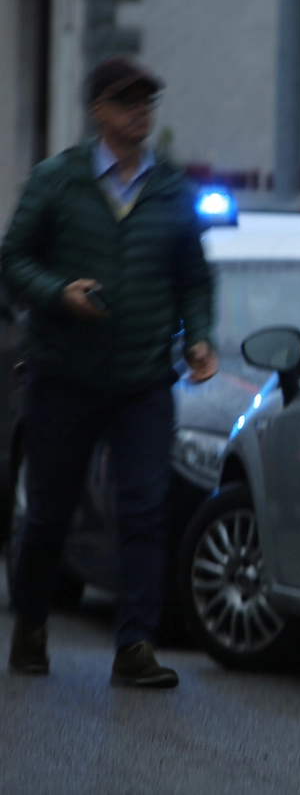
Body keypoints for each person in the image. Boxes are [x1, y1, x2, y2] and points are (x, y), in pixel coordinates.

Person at [3, 56, 217, 687]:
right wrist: (57, 291)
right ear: (98, 109)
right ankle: (32, 624)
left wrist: (199, 337)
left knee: (145, 508)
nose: (140, 111)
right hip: (64, 373)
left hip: (144, 380)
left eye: (148, 100)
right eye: (127, 101)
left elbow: (194, 278)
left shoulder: (171, 189)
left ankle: (136, 647)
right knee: (48, 513)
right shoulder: (57, 180)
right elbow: (13, 259)